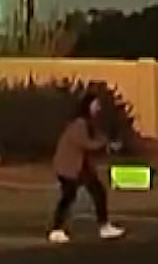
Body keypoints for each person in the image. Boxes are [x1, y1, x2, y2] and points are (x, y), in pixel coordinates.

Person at [48, 93, 126, 244]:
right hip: (68, 166)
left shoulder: (90, 123)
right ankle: (56, 229)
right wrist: (105, 143)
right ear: (88, 105)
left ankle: (104, 227)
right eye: (96, 104)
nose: (98, 107)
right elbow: (86, 143)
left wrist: (109, 144)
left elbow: (97, 140)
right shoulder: (80, 124)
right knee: (68, 196)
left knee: (98, 192)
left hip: (81, 166)